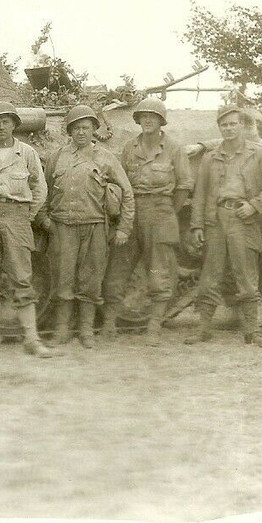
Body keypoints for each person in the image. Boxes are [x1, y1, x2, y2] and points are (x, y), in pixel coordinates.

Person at [186, 104, 262, 346]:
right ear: (219, 128)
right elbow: (200, 194)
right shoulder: (210, 157)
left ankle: (250, 330)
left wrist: (255, 205)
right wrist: (197, 226)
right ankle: (204, 328)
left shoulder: (258, 154)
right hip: (216, 219)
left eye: (233, 124)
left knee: (246, 276)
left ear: (242, 126)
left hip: (244, 218)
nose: (228, 129)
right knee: (210, 275)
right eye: (224, 125)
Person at [39, 105, 134, 348]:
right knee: (63, 279)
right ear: (69, 131)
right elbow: (44, 191)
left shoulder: (105, 158)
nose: (81, 132)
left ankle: (86, 330)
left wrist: (124, 227)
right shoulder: (57, 157)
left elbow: (127, 193)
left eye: (86, 127)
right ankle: (62, 329)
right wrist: (45, 220)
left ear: (94, 129)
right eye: (76, 128)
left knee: (91, 280)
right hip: (63, 227)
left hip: (94, 226)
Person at [104, 97, 191, 345]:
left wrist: (168, 212)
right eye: (143, 116)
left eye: (153, 117)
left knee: (159, 272)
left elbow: (184, 185)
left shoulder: (174, 148)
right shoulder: (129, 148)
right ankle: (109, 322)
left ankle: (154, 325)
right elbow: (120, 183)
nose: (148, 120)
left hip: (161, 212)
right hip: (131, 212)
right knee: (118, 268)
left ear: (161, 121)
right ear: (138, 120)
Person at [0, 101, 51, 357]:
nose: (1, 126)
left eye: (6, 122)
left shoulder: (26, 153)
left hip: (18, 215)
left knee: (22, 275)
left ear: (14, 125)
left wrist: (28, 215)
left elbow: (40, 187)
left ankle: (31, 338)